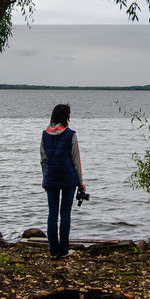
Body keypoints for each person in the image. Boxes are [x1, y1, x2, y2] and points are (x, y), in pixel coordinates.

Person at [40, 103, 85, 259]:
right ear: (66, 117)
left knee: (52, 213)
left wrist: (45, 178)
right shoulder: (71, 134)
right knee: (65, 214)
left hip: (51, 177)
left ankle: (53, 251)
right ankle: (64, 250)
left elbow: (43, 159)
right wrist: (81, 181)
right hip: (68, 178)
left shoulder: (45, 134)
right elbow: (76, 160)